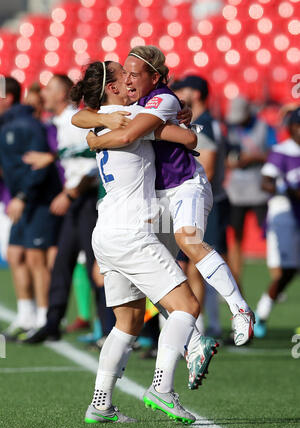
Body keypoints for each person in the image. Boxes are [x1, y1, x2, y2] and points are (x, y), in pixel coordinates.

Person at [71, 59, 218, 424]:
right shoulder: (132, 115)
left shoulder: (111, 114)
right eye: (124, 74)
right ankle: (162, 389)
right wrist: (181, 123)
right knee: (186, 307)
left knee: (129, 321)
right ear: (113, 88)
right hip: (131, 231)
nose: (132, 77)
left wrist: (95, 129)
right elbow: (187, 139)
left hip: (107, 232)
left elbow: (81, 118)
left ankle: (100, 404)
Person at [81, 46, 255, 349]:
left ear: (156, 76)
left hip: (186, 184)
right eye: (126, 74)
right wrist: (105, 124)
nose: (129, 80)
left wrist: (96, 137)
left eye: (135, 74)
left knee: (188, 241)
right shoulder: (135, 104)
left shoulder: (163, 99)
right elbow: (80, 116)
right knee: (166, 275)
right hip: (158, 195)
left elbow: (182, 138)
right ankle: (189, 345)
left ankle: (240, 308)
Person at [22, 74, 115, 343]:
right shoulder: (60, 122)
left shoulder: (75, 121)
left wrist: (70, 194)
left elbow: (94, 161)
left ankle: (107, 329)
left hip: (84, 200)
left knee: (95, 267)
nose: (44, 95)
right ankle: (53, 322)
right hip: (74, 200)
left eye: (50, 89)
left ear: (63, 94)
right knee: (62, 262)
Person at [0, 77, 62, 338]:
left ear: (9, 97)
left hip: (37, 200)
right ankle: (25, 316)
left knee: (36, 257)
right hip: (20, 201)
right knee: (15, 254)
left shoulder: (27, 125)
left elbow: (39, 165)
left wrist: (23, 196)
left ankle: (43, 319)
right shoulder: (7, 125)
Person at [172, 75, 230, 339]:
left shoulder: (206, 125)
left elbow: (206, 165)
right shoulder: (201, 123)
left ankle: (202, 325)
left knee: (196, 263)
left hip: (206, 202)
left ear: (195, 93)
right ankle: (204, 322)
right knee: (190, 263)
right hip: (200, 200)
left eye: (183, 88)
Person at [254, 107, 300, 337]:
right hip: (286, 216)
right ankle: (260, 315)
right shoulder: (283, 151)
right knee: (289, 271)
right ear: (291, 127)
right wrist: (286, 188)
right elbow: (266, 181)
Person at [225, 96, 277, 288]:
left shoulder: (264, 127)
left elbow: (275, 154)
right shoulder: (230, 128)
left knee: (270, 238)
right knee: (236, 238)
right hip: (236, 192)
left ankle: (277, 283)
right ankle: (234, 284)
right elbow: (224, 155)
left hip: (259, 191)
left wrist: (254, 158)